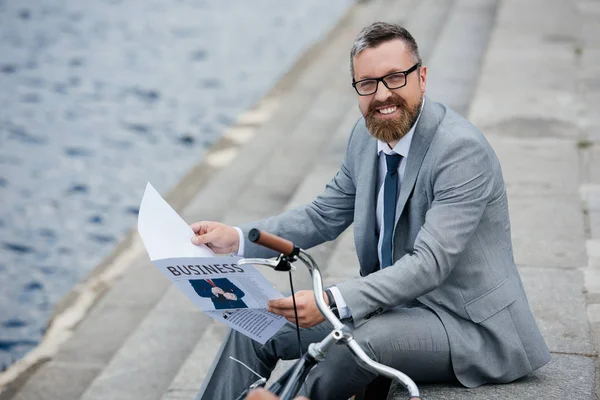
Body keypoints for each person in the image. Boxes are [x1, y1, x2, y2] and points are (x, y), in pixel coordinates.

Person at [191, 22, 550, 400]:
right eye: (367, 84)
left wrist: (330, 301)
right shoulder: (365, 138)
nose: (382, 95)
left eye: (395, 78)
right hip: (388, 306)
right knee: (255, 323)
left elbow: (430, 263)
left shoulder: (460, 151)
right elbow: (322, 215)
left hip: (464, 324)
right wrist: (236, 238)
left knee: (356, 342)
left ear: (422, 78)